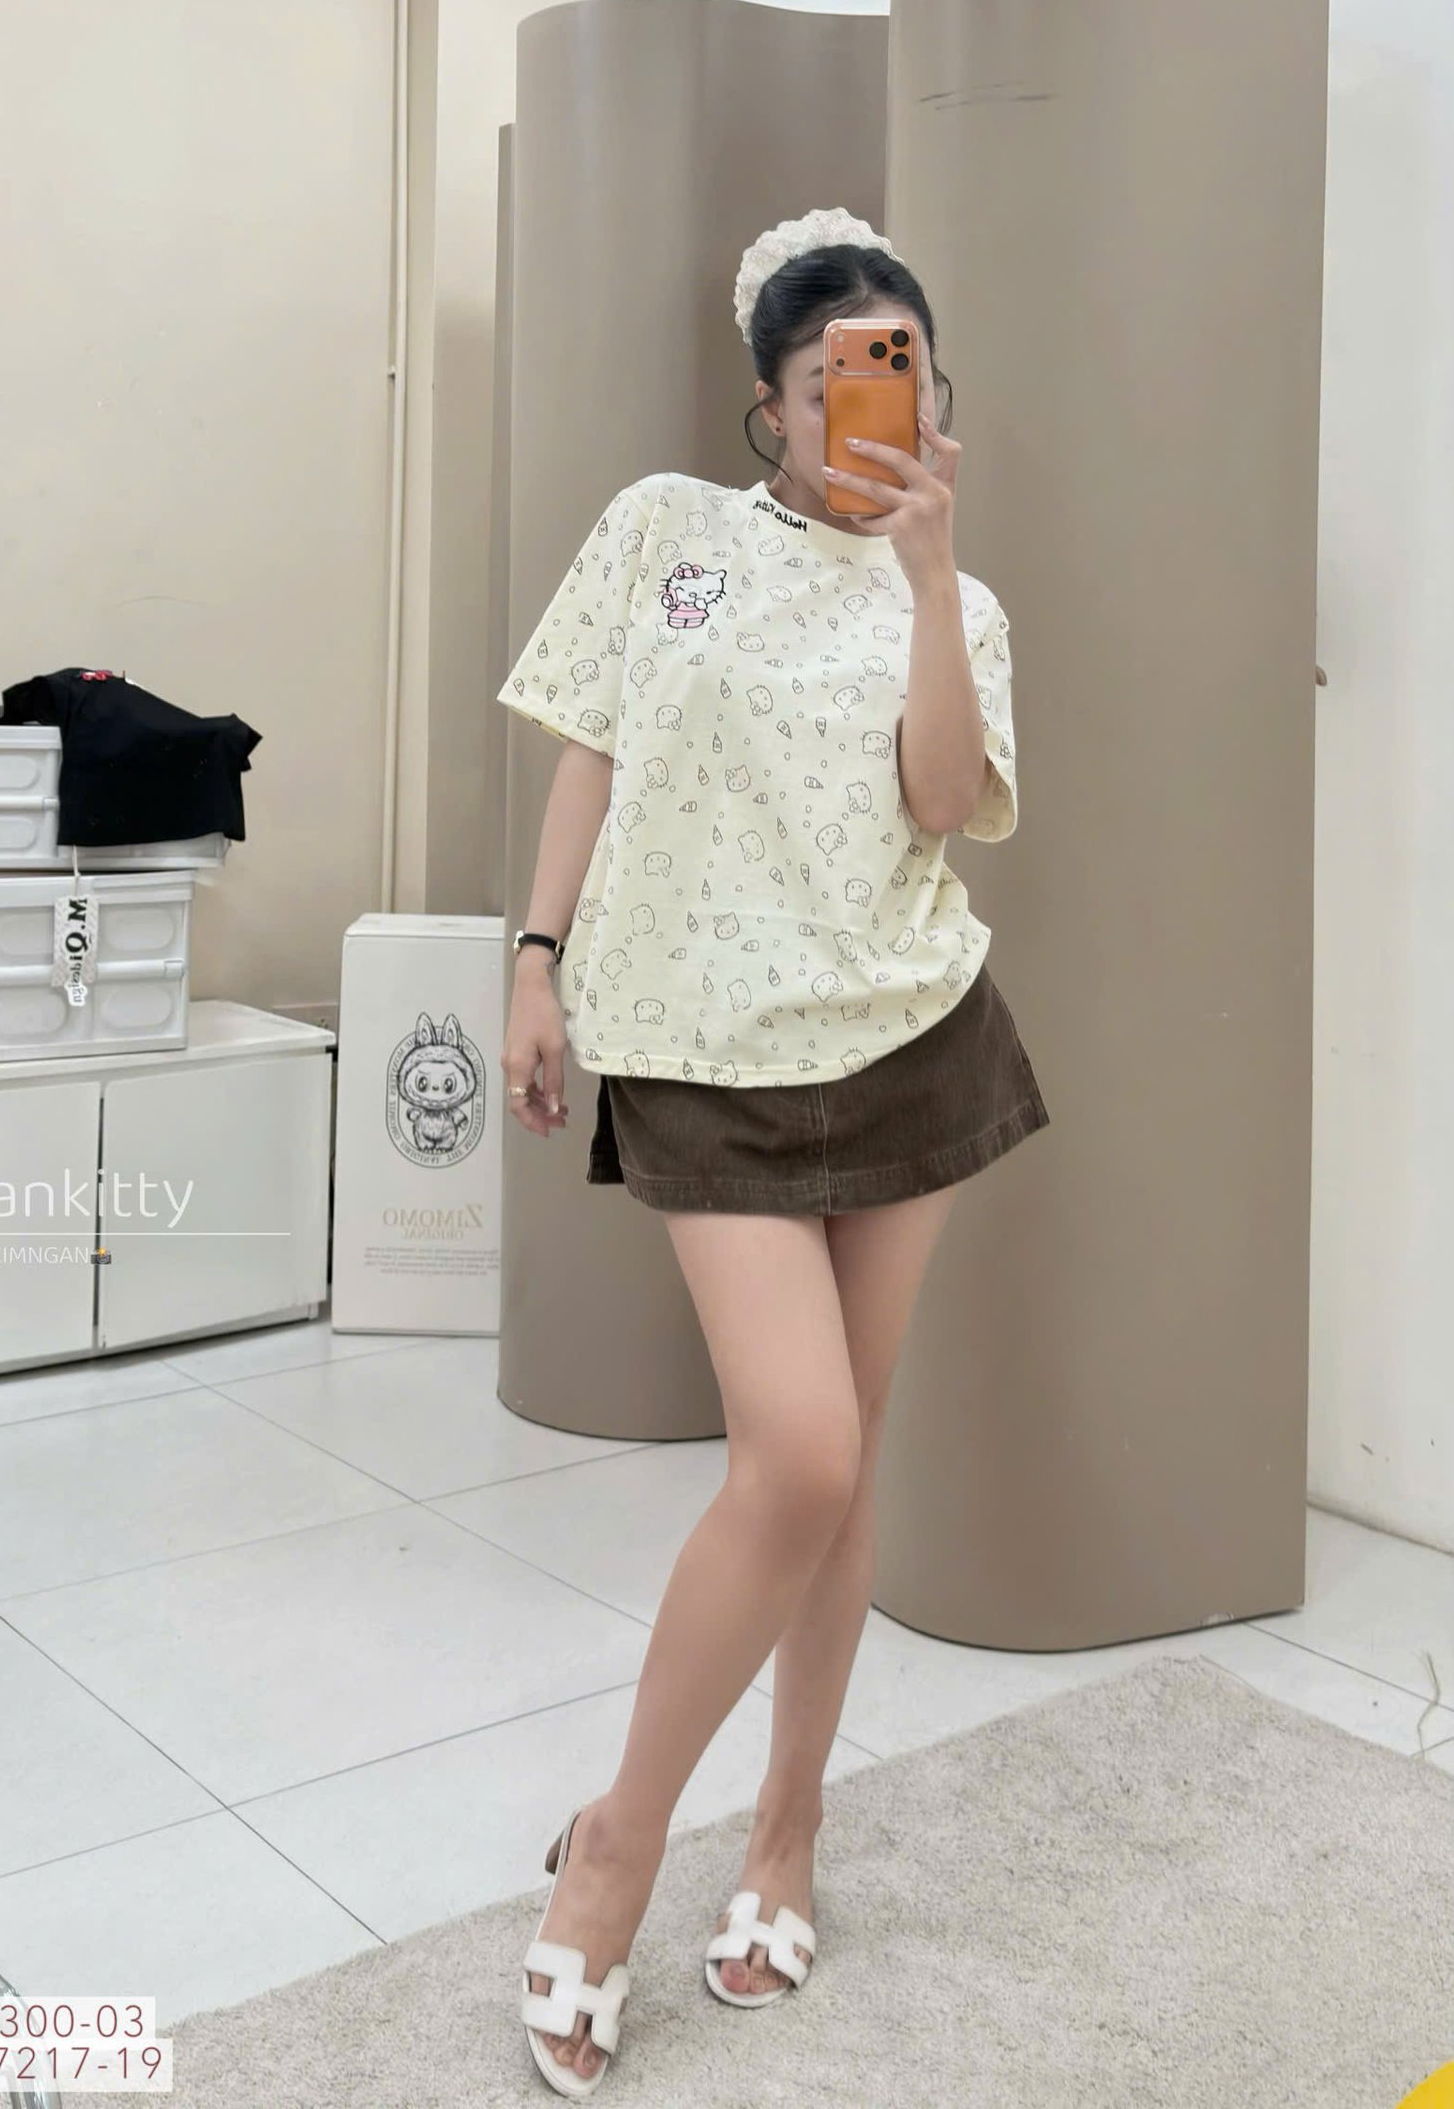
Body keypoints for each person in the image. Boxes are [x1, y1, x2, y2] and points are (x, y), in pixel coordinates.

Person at [496, 207, 1050, 2095]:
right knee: (797, 1452)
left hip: (904, 1038)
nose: (868, 410)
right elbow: (592, 746)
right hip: (695, 1044)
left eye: (901, 376)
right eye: (832, 383)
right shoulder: (665, 534)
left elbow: (939, 801)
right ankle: (621, 1845)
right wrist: (536, 958)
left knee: (840, 1463)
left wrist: (930, 575)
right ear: (770, 403)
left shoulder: (960, 601)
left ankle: (790, 1833)